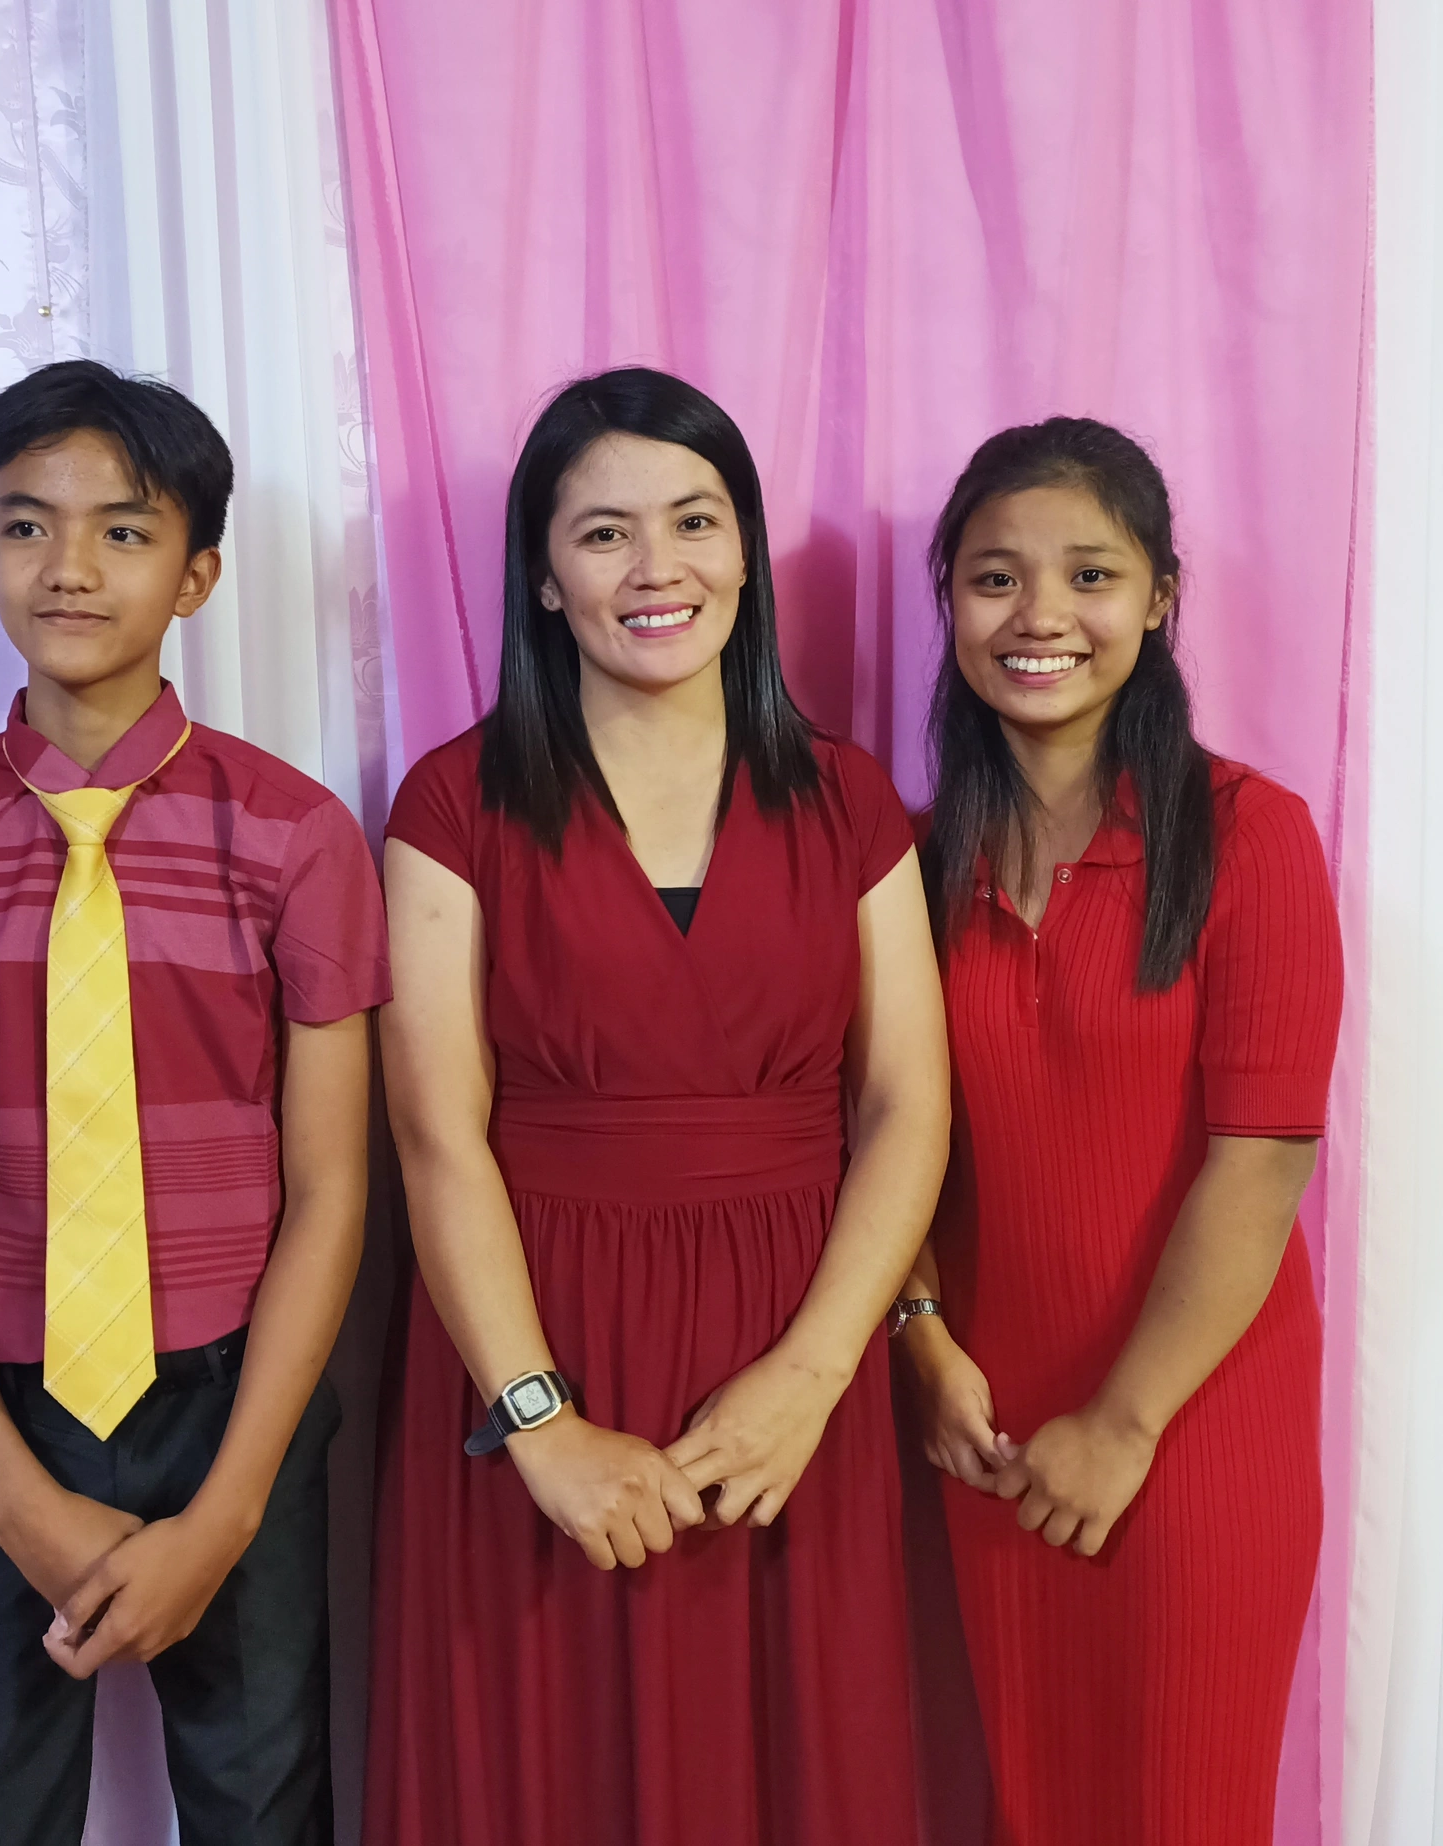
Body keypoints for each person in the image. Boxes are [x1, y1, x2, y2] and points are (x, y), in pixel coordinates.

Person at [0, 360, 388, 1846]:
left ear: (198, 573)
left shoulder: (297, 838)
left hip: (234, 1401)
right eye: (27, 524)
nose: (70, 565)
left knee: (264, 1806)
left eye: (125, 529)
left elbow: (331, 1190)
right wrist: (11, 1499)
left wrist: (230, 1508)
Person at [364, 367, 950, 1846]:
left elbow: (906, 1106)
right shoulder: (451, 804)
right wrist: (540, 1422)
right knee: (544, 1763)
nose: (654, 567)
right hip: (535, 1338)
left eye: (694, 520)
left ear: (745, 552)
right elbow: (436, 1134)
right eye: (603, 533)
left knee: (796, 1762)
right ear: (544, 579)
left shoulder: (850, 802)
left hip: (797, 1353)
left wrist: (812, 1378)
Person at [898, 417, 1343, 1843]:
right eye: (995, 578)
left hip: (1189, 1424)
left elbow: (1261, 1163)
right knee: (1009, 1806)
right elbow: (877, 1135)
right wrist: (920, 1338)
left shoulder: (1250, 835)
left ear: (1159, 597)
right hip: (980, 1428)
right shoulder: (909, 862)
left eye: (1090, 575)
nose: (1041, 616)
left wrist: (1125, 1421)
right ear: (949, 600)